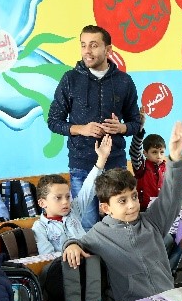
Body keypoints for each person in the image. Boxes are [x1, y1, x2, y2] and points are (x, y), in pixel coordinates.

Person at [62, 121, 182, 301]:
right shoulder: (99, 234)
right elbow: (79, 242)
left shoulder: (151, 221)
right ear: (106, 208)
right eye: (122, 200)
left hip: (168, 300)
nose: (132, 205)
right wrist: (70, 244)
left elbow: (171, 196)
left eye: (134, 197)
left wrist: (175, 159)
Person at [47, 24, 142, 230]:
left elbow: (135, 123)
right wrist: (81, 129)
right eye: (83, 45)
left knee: (122, 222)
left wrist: (122, 128)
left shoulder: (124, 81)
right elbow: (54, 121)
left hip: (115, 164)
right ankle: (93, 264)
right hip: (82, 165)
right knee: (87, 224)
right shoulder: (70, 79)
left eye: (93, 45)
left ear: (108, 50)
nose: (87, 51)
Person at [32, 136, 112, 254]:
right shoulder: (40, 227)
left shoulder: (74, 211)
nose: (65, 202)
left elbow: (88, 189)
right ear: (42, 203)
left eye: (68, 196)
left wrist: (102, 158)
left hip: (89, 260)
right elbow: (47, 256)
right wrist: (73, 252)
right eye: (58, 198)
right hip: (65, 268)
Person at [128, 110, 167, 211]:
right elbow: (135, 152)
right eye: (154, 152)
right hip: (144, 211)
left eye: (162, 152)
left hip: (164, 209)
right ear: (145, 153)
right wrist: (139, 130)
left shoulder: (167, 167)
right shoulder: (141, 167)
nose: (159, 156)